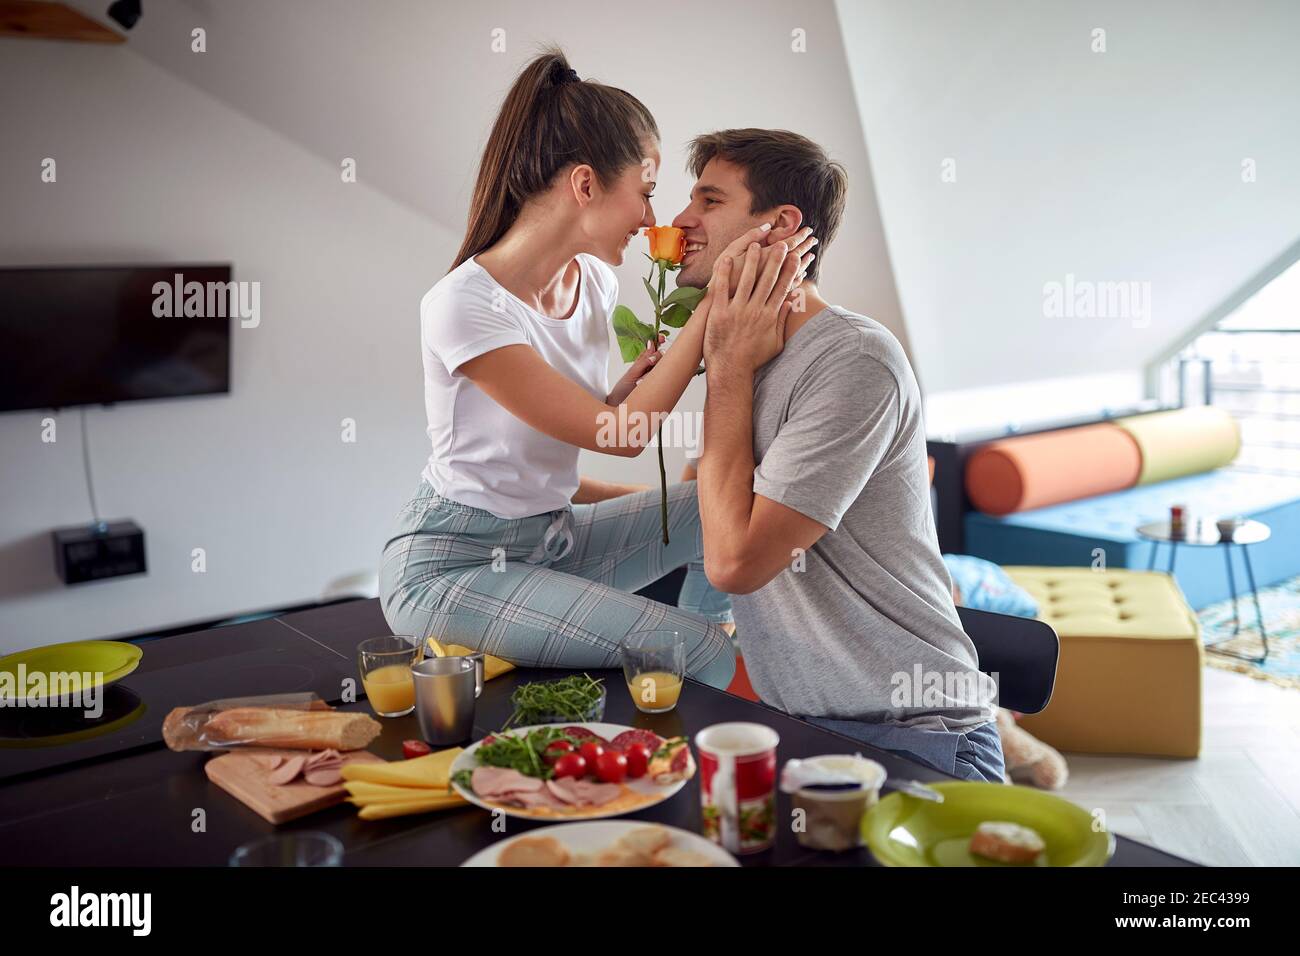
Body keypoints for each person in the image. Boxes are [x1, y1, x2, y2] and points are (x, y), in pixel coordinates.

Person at [378, 53, 811, 689]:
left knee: (723, 511)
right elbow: (623, 435)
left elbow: (562, 428)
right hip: (455, 566)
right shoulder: (464, 306)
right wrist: (715, 311)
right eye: (646, 194)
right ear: (585, 185)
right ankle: (710, 733)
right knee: (692, 648)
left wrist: (618, 393)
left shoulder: (595, 285)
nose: (650, 221)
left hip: (555, 541)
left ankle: (722, 635)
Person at [674, 129, 1004, 781]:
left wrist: (729, 367)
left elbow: (735, 562)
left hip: (914, 738)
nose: (681, 221)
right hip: (801, 729)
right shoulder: (752, 356)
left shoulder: (853, 359)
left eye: (709, 201)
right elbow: (698, 509)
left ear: (779, 225)